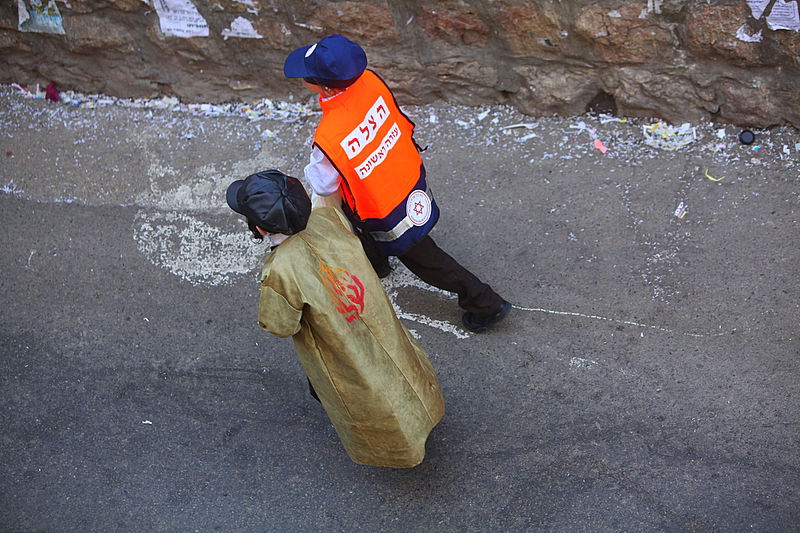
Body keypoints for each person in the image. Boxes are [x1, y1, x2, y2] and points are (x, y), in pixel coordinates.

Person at [283, 34, 511, 333]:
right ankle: (378, 264)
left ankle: (485, 302)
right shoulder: (368, 81)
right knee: (370, 232)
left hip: (383, 204)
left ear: (324, 86)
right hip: (405, 176)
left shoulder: (329, 134)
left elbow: (325, 185)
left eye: (305, 76)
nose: (301, 79)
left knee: (425, 259)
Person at [226, 169, 445, 468]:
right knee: (400, 366)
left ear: (262, 229)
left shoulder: (279, 269)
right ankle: (428, 409)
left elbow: (281, 324)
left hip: (339, 345)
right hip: (374, 318)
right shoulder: (327, 219)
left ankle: (402, 447)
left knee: (368, 393)